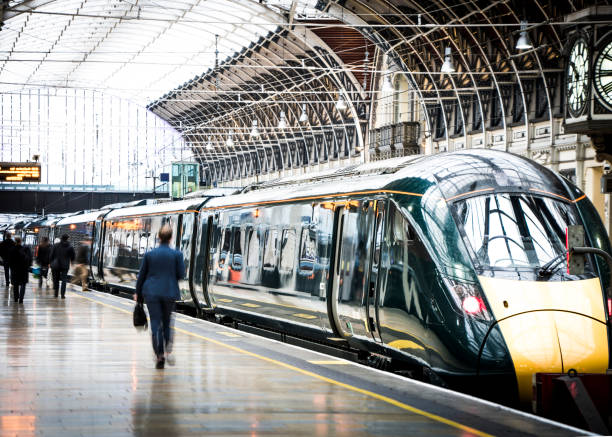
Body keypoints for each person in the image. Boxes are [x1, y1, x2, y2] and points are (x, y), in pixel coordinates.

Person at [135, 224, 185, 369]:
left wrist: (138, 293)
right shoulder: (177, 255)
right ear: (170, 238)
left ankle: (159, 355)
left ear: (158, 237)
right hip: (169, 293)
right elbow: (181, 275)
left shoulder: (150, 255)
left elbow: (141, 276)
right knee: (167, 322)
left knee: (155, 324)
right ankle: (168, 350)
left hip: (151, 293)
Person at [49, 234, 75, 299]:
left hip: (56, 265)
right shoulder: (70, 247)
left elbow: (51, 255)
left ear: (61, 238)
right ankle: (62, 295)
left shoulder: (55, 245)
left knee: (56, 279)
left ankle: (56, 293)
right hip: (65, 265)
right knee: (64, 280)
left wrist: (50, 262)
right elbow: (73, 256)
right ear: (67, 239)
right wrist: (72, 262)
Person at [9, 237, 32, 303]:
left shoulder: (12, 249)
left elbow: (10, 261)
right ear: (21, 241)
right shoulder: (25, 249)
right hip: (23, 269)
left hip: (15, 270)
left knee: (15, 284)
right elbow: (29, 259)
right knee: (23, 284)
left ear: (15, 241)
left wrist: (12, 267)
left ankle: (16, 298)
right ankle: (21, 299)